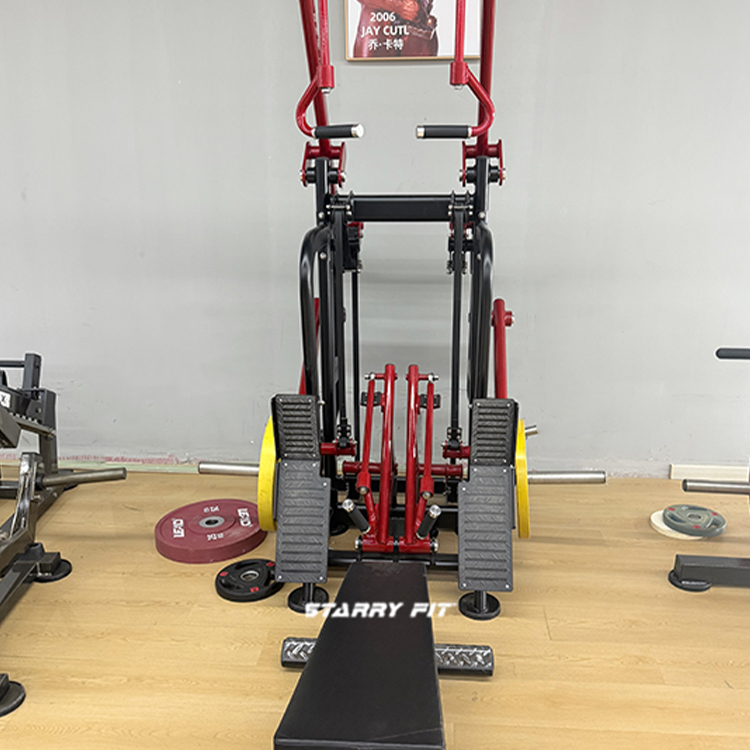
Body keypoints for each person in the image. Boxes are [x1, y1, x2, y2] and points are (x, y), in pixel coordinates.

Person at [352, 0, 438, 59]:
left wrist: (424, 4)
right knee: (369, 73)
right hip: (378, 25)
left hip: (416, 24)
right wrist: (398, 5)